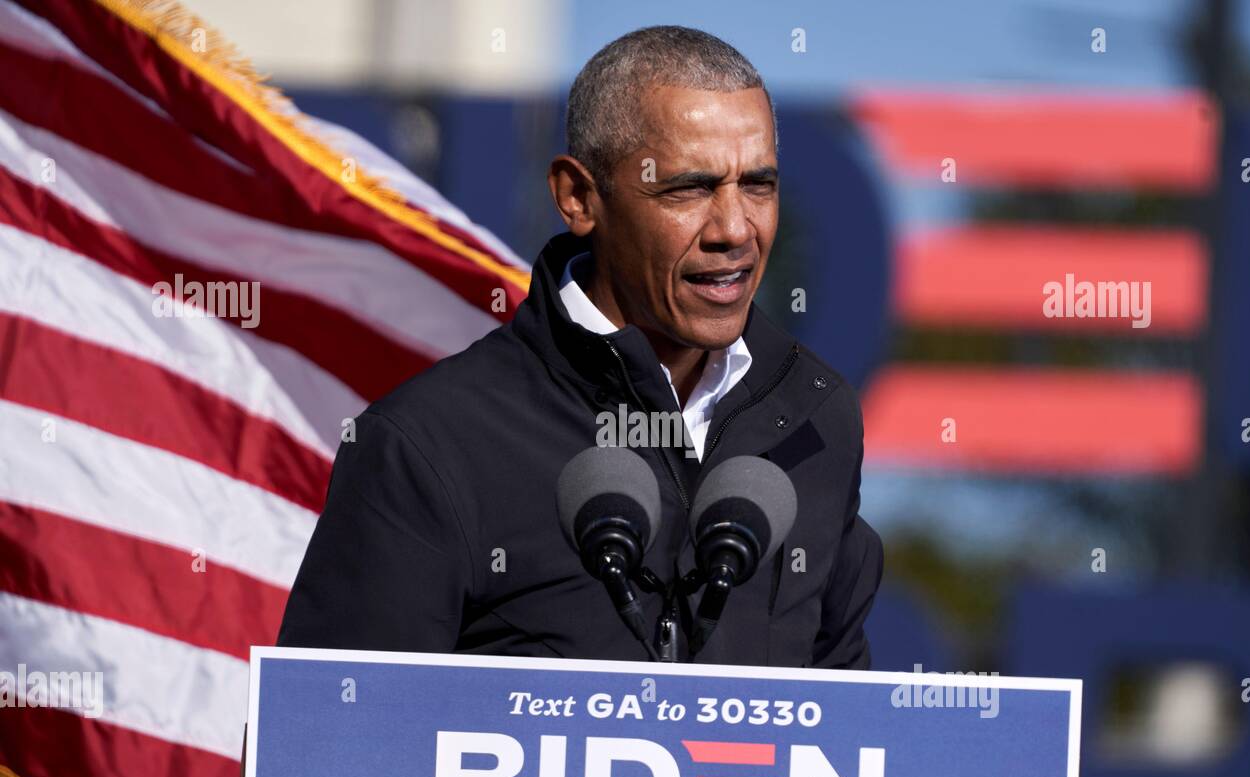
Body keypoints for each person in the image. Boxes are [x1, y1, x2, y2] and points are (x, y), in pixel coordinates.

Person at [277, 25, 884, 667]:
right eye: (690, 187)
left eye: (757, 184)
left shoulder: (819, 416)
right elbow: (335, 745)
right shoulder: (425, 445)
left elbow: (847, 731)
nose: (735, 229)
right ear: (579, 197)